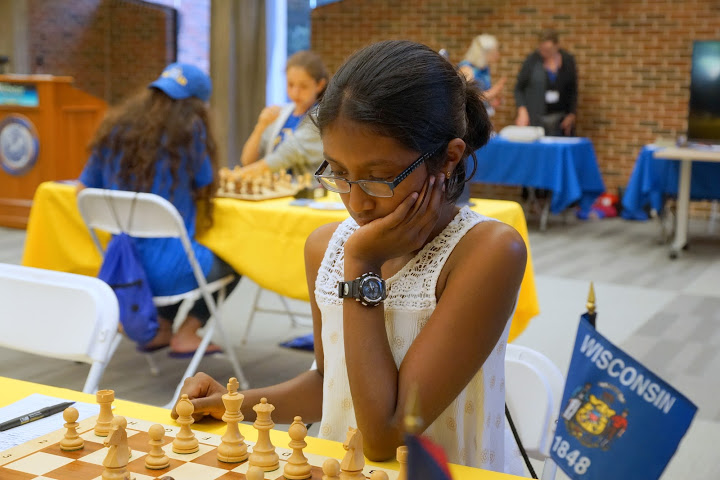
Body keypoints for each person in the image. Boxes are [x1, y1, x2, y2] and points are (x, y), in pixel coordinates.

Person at [172, 40, 527, 473]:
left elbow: (386, 435)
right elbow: (332, 382)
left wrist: (362, 266)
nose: (356, 202)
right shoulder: (325, 245)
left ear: (448, 159)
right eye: (338, 173)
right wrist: (231, 405)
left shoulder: (487, 253)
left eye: (378, 177)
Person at [77, 63, 239, 357]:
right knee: (239, 257)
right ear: (197, 104)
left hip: (123, 265)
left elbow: (83, 191)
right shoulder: (190, 132)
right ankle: (189, 331)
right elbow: (205, 182)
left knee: (183, 249)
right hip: (173, 270)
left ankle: (161, 328)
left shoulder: (114, 128)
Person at [239, 50, 329, 176]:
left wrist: (237, 175)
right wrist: (260, 126)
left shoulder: (322, 118)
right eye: (290, 85)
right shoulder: (281, 114)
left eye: (303, 86)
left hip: (306, 193)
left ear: (319, 85)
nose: (295, 93)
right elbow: (247, 160)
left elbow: (286, 155)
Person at [514, 28, 578, 136]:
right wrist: (522, 110)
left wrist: (571, 114)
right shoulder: (532, 60)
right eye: (542, 49)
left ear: (557, 46)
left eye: (548, 50)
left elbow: (573, 90)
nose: (545, 53)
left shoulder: (568, 61)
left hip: (560, 119)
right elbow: (519, 88)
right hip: (537, 117)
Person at [458, 34, 506, 116]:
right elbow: (467, 99)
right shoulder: (467, 69)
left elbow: (481, 94)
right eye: (494, 51)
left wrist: (491, 102)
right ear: (485, 53)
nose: (497, 54)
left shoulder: (484, 69)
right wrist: (493, 92)